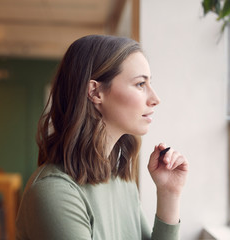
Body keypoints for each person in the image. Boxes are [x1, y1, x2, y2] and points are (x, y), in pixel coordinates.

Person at [16, 35, 189, 240]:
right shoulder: (54, 192)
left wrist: (169, 193)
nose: (155, 99)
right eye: (140, 84)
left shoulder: (121, 179)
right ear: (95, 92)